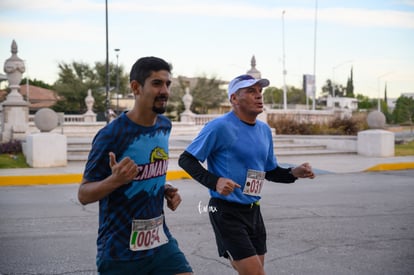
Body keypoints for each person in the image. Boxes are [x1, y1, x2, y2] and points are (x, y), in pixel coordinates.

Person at [178, 74, 315, 275]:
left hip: (254, 212)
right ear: (234, 99)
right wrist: (215, 182)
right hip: (225, 211)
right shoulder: (219, 126)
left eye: (260, 91)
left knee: (254, 269)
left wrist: (294, 172)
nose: (259, 96)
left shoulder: (264, 130)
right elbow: (186, 159)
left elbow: (270, 171)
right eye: (251, 91)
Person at [78, 56, 193, 275]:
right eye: (157, 83)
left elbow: (148, 170)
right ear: (135, 87)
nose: (165, 91)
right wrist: (115, 180)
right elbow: (83, 194)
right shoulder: (112, 135)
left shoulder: (164, 126)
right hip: (120, 252)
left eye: (167, 84)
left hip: (159, 242)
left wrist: (164, 189)